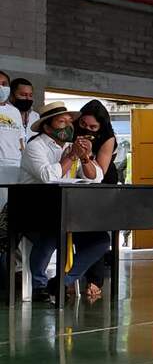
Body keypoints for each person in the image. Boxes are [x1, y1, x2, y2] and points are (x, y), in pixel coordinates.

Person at [20, 102, 109, 301]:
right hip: (32, 212)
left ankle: (63, 282)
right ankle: (39, 285)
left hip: (65, 212)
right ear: (47, 126)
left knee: (101, 239)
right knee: (53, 230)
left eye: (70, 121)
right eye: (62, 122)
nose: (69, 126)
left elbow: (97, 177)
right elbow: (48, 176)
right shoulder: (35, 147)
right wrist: (71, 157)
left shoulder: (71, 146)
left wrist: (85, 158)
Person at [75, 99, 120, 300]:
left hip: (102, 182)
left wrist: (87, 154)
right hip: (76, 183)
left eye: (93, 127)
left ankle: (95, 280)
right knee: (78, 231)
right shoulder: (73, 130)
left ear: (101, 126)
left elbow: (100, 169)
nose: (87, 129)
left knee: (97, 230)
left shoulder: (107, 137)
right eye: (84, 125)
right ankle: (75, 276)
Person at [0, 71, 24, 206]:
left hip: (15, 166)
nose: (1, 87)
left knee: (10, 206)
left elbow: (20, 141)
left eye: (4, 84)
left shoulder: (14, 111)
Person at [9, 78, 39, 143]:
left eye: (30, 95)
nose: (28, 98)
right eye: (23, 95)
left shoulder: (35, 116)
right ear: (11, 95)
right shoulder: (5, 114)